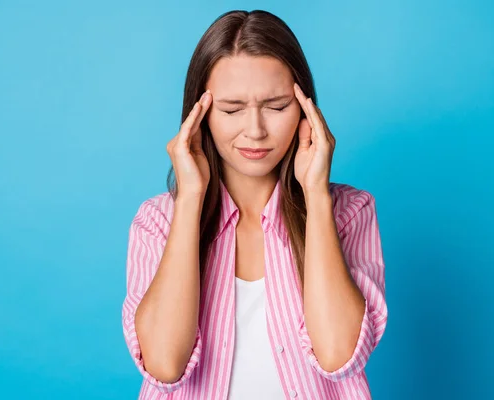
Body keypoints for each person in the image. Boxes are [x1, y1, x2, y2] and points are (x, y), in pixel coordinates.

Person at [121, 9, 388, 400]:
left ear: (306, 108)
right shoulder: (157, 222)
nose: (256, 130)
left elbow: (337, 356)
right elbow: (164, 364)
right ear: (200, 115)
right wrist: (191, 197)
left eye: (277, 106)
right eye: (231, 110)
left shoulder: (349, 212)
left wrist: (314, 194)